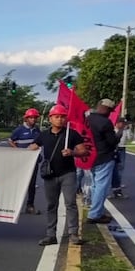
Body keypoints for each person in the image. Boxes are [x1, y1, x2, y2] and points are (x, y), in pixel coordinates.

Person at [31, 104, 89, 246]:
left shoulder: (72, 134)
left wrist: (72, 152)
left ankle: (73, 234)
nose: (60, 119)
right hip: (50, 175)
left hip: (68, 173)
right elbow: (32, 148)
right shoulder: (43, 135)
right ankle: (51, 235)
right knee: (51, 205)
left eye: (63, 117)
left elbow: (84, 151)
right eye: (57, 117)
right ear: (50, 119)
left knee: (70, 203)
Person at [86, 98, 119, 224]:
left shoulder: (88, 119)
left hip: (90, 157)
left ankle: (96, 210)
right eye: (110, 110)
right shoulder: (106, 122)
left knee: (95, 185)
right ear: (107, 109)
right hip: (104, 156)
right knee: (101, 187)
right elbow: (112, 141)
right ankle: (95, 214)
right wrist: (118, 134)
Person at [8, 108, 42, 214]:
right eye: (31, 118)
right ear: (26, 119)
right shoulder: (19, 130)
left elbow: (40, 142)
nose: (33, 120)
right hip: (22, 162)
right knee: (19, 184)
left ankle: (30, 205)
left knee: (32, 184)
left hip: (33, 162)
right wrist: (18, 151)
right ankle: (13, 206)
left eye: (35, 118)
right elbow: (10, 140)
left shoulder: (37, 130)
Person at [110, 117, 128, 198]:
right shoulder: (111, 130)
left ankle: (117, 190)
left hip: (119, 150)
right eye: (122, 123)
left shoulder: (124, 131)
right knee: (111, 172)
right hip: (109, 153)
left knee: (118, 170)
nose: (124, 125)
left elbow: (129, 138)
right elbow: (114, 140)